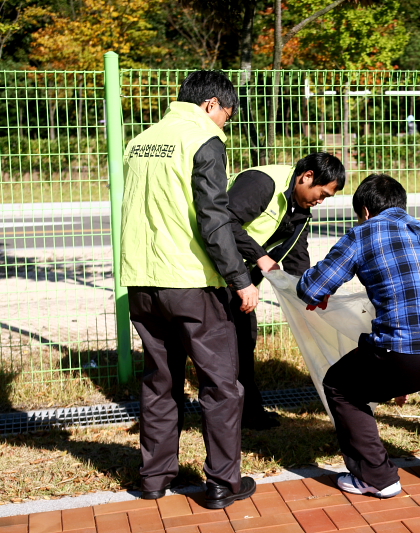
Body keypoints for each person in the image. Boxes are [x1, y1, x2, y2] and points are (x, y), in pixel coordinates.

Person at [120, 70, 258, 509]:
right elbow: (213, 217)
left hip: (141, 280)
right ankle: (222, 483)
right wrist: (240, 279)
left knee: (160, 381)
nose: (224, 126)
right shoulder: (202, 138)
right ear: (211, 105)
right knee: (221, 385)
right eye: (226, 117)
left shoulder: (140, 140)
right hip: (191, 282)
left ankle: (154, 479)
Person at [297, 174, 420, 498]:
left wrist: (317, 290)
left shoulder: (363, 234)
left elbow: (312, 288)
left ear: (365, 211)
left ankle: (378, 477)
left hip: (404, 353)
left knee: (340, 386)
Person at [226, 152, 346, 430]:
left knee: (244, 336)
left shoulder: (301, 212)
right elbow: (223, 222)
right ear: (307, 177)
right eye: (322, 193)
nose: (320, 201)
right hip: (207, 270)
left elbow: (296, 259)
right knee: (228, 342)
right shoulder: (262, 183)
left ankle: (248, 412)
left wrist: (312, 292)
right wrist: (260, 257)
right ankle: (233, 413)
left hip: (239, 277)